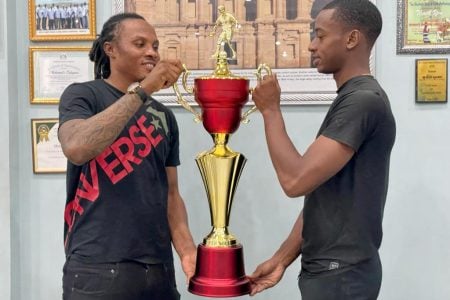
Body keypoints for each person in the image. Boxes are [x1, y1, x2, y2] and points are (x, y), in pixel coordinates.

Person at [249, 1, 395, 299]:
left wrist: (271, 111)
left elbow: (296, 181)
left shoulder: (363, 101)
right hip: (332, 271)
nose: (312, 46)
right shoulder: (353, 98)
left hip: (341, 274)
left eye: (321, 35)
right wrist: (281, 259)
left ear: (352, 39)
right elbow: (322, 195)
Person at [58, 12, 197, 300]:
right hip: (97, 266)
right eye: (140, 43)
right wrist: (145, 90)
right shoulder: (83, 95)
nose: (151, 52)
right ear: (110, 49)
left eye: (155, 46)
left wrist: (187, 251)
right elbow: (76, 147)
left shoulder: (164, 117)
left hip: (158, 268)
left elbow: (171, 194)